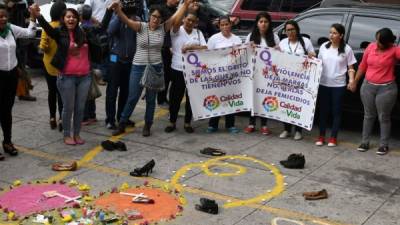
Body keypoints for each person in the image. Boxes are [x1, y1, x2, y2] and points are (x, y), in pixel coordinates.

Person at [111, 0, 193, 137]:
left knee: (151, 99)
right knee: (132, 97)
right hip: (138, 66)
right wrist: (118, 9)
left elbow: (174, 17)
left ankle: (147, 125)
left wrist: (185, 5)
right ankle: (122, 123)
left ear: (161, 19)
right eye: (154, 16)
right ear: (149, 16)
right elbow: (125, 19)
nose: (156, 19)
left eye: (159, 17)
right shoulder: (140, 26)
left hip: (155, 67)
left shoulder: (163, 28)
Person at [32, 6, 112, 145]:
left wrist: (110, 10)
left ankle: (77, 134)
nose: (71, 19)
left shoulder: (85, 31)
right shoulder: (59, 33)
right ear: (63, 19)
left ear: (78, 19)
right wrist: (38, 16)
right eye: (68, 16)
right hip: (66, 77)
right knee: (68, 107)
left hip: (85, 76)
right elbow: (47, 27)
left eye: (74, 17)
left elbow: (102, 27)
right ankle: (67, 134)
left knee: (80, 108)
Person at [348, 28, 400, 155]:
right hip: (368, 86)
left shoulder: (394, 50)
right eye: (376, 39)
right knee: (368, 115)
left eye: (379, 41)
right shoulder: (371, 47)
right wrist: (354, 81)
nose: (376, 42)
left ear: (387, 43)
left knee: (384, 117)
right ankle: (365, 142)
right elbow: (363, 66)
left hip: (386, 89)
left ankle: (383, 145)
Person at [0, 3, 37, 160]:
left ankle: (7, 142)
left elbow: (29, 33)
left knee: (7, 111)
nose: (2, 19)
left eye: (4, 16)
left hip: (11, 76)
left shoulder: (10, 29)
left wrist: (33, 18)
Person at [164, 11, 207, 133]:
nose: (190, 22)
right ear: (183, 19)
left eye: (193, 21)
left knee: (191, 98)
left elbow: (205, 48)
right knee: (175, 98)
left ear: (196, 23)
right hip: (178, 69)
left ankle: (187, 123)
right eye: (188, 19)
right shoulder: (177, 30)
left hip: (194, 71)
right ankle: (172, 122)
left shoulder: (198, 33)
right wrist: (185, 5)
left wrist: (191, 47)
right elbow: (175, 22)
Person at [315, 23, 357, 147]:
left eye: (334, 33)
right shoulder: (324, 47)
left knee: (336, 111)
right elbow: (318, 63)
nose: (331, 35)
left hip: (338, 85)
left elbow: (351, 67)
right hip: (323, 83)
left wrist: (351, 80)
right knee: (323, 111)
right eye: (330, 32)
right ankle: (321, 136)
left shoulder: (347, 49)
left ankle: (333, 137)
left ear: (341, 35)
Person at [105, 0, 141, 130]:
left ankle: (121, 117)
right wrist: (120, 16)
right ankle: (109, 119)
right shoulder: (116, 17)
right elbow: (109, 31)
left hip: (130, 61)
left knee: (125, 91)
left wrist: (130, 18)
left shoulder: (137, 19)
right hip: (115, 59)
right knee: (112, 91)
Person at [278, 20, 315, 140]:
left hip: (300, 79)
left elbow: (313, 55)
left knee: (297, 104)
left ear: (297, 30)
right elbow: (276, 56)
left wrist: (311, 56)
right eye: (287, 30)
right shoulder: (283, 42)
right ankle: (286, 129)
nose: (290, 32)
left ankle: (298, 131)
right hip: (286, 79)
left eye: (292, 29)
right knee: (286, 104)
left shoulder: (305, 41)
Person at [244, 12, 279, 136]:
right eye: (261, 22)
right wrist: (250, 47)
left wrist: (277, 50)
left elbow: (278, 56)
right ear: (257, 23)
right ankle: (251, 123)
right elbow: (245, 54)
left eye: (266, 22)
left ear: (269, 24)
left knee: (266, 98)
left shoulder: (274, 37)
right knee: (253, 97)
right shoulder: (250, 36)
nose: (263, 24)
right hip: (254, 72)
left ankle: (264, 124)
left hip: (268, 74)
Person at [206, 15, 242, 134]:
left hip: (232, 76)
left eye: (227, 24)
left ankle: (230, 125)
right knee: (215, 99)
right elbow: (207, 56)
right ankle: (213, 124)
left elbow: (241, 56)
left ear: (231, 25)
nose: (225, 26)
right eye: (222, 25)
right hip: (217, 76)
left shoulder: (237, 39)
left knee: (230, 100)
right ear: (219, 26)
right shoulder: (213, 39)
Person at [39, 0, 65, 131]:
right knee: (61, 93)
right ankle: (62, 118)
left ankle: (52, 118)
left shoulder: (47, 27)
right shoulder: (64, 28)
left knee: (51, 92)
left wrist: (42, 47)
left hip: (48, 65)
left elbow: (43, 46)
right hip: (61, 66)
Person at [4, 0, 37, 101]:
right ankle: (22, 92)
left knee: (21, 66)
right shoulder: (6, 7)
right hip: (10, 39)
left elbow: (28, 14)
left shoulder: (23, 3)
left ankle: (23, 91)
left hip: (20, 38)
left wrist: (30, 14)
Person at [157, 0, 179, 107]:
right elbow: (163, 30)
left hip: (175, 48)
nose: (178, 1)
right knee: (165, 75)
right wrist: (168, 45)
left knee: (171, 75)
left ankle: (168, 97)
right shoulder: (161, 10)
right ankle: (161, 99)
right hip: (165, 48)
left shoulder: (177, 10)